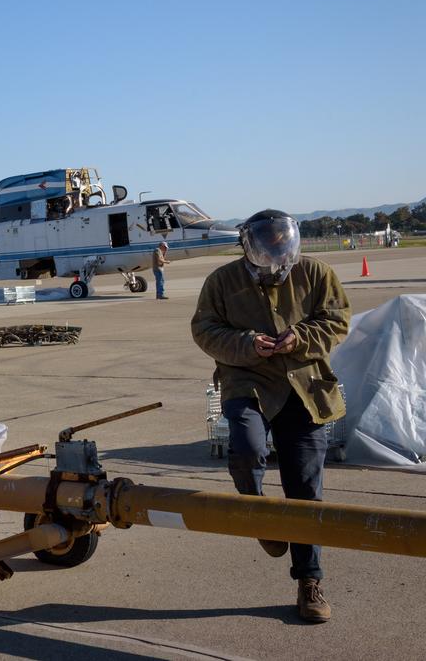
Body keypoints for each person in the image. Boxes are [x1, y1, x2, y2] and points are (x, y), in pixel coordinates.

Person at [191, 209, 350, 623]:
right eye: (270, 248)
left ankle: (309, 581)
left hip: (304, 384)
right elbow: (205, 329)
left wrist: (300, 337)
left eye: (284, 247)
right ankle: (260, 515)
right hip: (248, 380)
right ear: (250, 247)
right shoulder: (222, 281)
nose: (278, 257)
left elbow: (336, 320)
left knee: (305, 488)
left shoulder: (316, 273)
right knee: (246, 449)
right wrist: (247, 344)